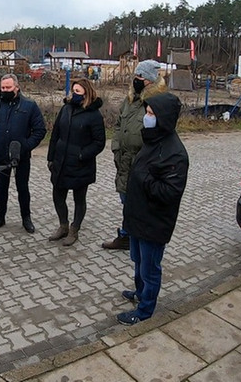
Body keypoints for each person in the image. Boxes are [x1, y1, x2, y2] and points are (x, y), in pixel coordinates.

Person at [117, 92, 189, 326]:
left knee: (150, 267)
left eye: (150, 114)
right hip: (138, 217)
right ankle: (140, 293)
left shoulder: (175, 153)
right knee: (138, 260)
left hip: (154, 222)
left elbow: (169, 192)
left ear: (164, 119)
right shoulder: (152, 139)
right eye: (146, 113)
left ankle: (145, 310)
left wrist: (144, 177)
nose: (146, 118)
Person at [102, 59, 167, 250]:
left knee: (140, 204)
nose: (136, 80)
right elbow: (119, 125)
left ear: (149, 80)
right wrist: (115, 146)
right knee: (126, 200)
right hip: (124, 160)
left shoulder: (157, 102)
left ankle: (139, 238)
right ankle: (127, 235)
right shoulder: (130, 100)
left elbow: (161, 135)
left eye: (140, 77)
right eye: (135, 76)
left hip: (142, 163)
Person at [0, 74, 46, 233]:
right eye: (3, 88)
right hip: (1, 155)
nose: (5, 90)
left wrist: (27, 145)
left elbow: (40, 130)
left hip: (22, 156)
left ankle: (26, 218)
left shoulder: (29, 105)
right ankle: (0, 217)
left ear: (17, 87)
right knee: (1, 188)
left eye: (8, 87)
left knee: (22, 188)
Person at [46, 78, 106, 246]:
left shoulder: (94, 115)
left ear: (87, 94)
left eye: (78, 92)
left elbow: (99, 143)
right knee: (58, 196)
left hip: (81, 165)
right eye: (73, 91)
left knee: (79, 199)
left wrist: (82, 155)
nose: (74, 95)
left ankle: (74, 230)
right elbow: (55, 133)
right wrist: (51, 157)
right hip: (61, 161)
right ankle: (63, 226)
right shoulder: (66, 109)